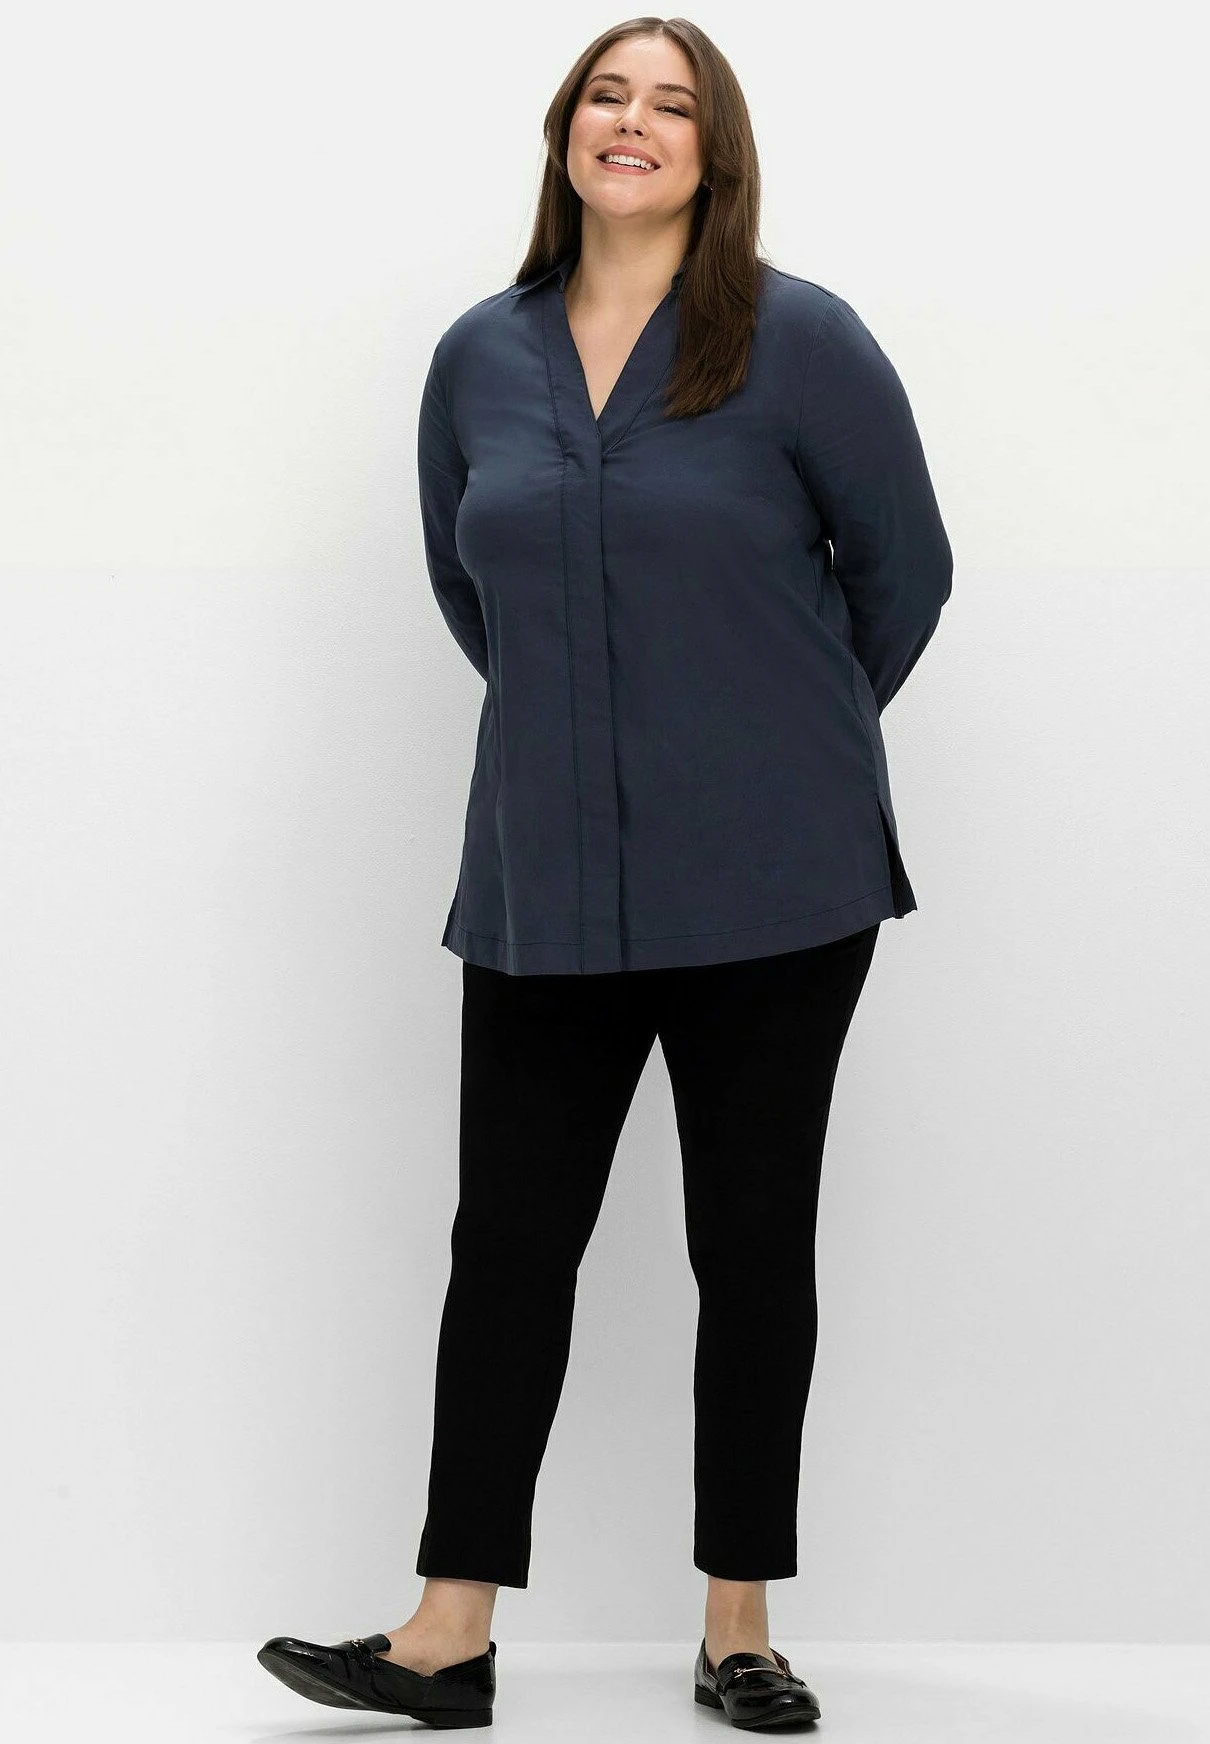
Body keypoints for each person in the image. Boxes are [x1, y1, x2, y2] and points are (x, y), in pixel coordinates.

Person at [258, 15, 952, 1731]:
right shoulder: (475, 358)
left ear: (716, 154)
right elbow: (468, 585)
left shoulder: (800, 341)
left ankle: (738, 1628)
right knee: (507, 1245)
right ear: (564, 130)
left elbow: (905, 575)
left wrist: (759, 736)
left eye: (671, 104)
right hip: (545, 877)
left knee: (751, 1248)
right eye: (605, 95)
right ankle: (446, 1636)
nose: (630, 122)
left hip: (776, 883)